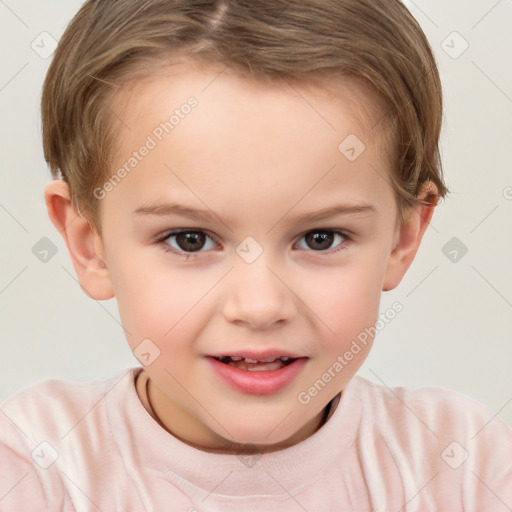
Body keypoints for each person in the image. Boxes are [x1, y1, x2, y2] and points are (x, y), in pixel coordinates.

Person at [1, 0, 511, 510]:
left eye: (320, 238)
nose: (260, 305)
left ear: (403, 236)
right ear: (90, 244)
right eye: (190, 239)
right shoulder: (35, 467)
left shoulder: (466, 466)